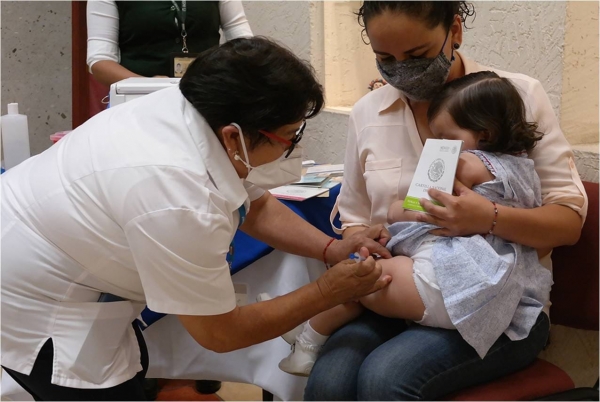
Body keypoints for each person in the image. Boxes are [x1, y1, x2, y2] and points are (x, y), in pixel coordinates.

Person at [0, 37, 393, 401]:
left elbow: (252, 204)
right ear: (233, 135)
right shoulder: (176, 195)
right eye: (289, 136)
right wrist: (325, 293)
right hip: (38, 301)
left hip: (54, 255)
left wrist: (332, 247)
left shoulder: (192, 107)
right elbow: (220, 332)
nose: (295, 147)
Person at [304, 2, 588, 400]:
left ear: (455, 30)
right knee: (329, 382)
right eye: (385, 58)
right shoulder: (369, 112)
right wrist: (364, 240)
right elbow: (354, 217)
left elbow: (567, 222)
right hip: (402, 290)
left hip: (498, 305)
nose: (401, 71)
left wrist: (488, 217)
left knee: (385, 378)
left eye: (417, 56)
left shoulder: (514, 95)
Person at [277, 70, 554, 376]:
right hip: (489, 286)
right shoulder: (521, 168)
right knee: (367, 281)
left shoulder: (464, 163)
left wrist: (395, 210)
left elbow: (415, 209)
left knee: (363, 277)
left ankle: (308, 335)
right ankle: (304, 327)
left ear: (483, 134)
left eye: (446, 137)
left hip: (455, 281)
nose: (437, 144)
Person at [86, 0, 253, 86]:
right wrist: (149, 86)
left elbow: (244, 44)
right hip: (138, 104)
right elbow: (100, 62)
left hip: (206, 99)